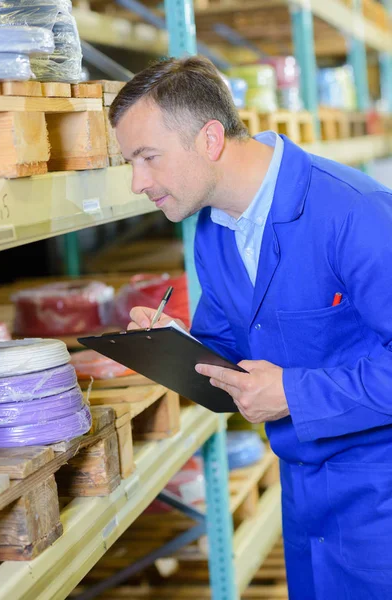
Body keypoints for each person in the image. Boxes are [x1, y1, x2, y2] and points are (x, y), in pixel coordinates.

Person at [109, 56, 392, 599]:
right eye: (130, 162)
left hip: (379, 493)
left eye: (147, 158)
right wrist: (174, 343)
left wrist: (291, 391)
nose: (136, 182)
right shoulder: (213, 229)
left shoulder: (355, 213)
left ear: (210, 138)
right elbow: (228, 350)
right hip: (304, 489)